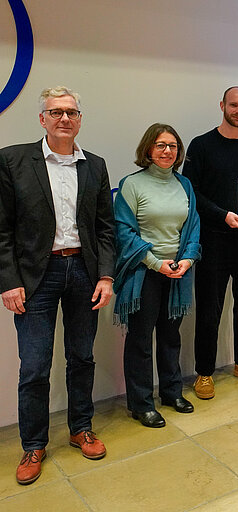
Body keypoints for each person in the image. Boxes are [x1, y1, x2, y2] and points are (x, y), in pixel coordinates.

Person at [0, 86, 115, 484]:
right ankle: (33, 444)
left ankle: (80, 428)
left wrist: (105, 275)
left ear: (80, 118)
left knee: (81, 357)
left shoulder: (96, 166)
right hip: (36, 277)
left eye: (71, 112)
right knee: (34, 366)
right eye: (55, 112)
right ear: (42, 119)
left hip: (83, 272)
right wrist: (9, 281)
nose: (64, 118)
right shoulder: (13, 161)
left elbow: (104, 228)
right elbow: (2, 229)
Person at [183, 86, 238, 399]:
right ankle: (204, 372)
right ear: (222, 105)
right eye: (233, 105)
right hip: (214, 240)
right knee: (209, 308)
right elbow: (191, 193)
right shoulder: (201, 145)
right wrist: (223, 216)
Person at [113, 124, 201, 428]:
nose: (167, 151)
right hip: (145, 272)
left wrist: (188, 257)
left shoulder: (184, 185)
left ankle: (171, 392)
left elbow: (193, 225)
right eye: (161, 145)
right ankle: (140, 403)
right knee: (139, 339)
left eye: (173, 146)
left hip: (177, 271)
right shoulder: (131, 184)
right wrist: (154, 262)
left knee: (170, 336)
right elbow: (123, 231)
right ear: (148, 149)